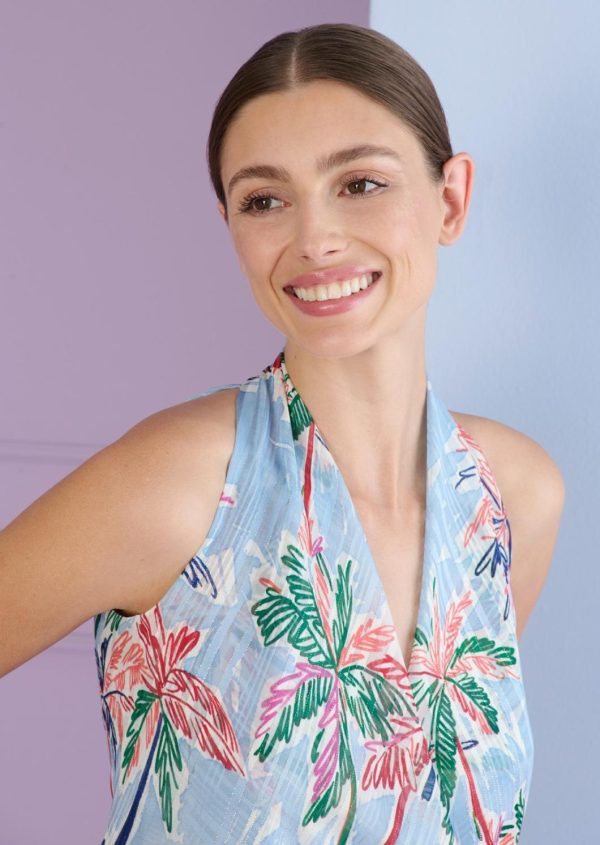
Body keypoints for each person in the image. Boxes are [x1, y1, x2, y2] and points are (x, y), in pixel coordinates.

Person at [0, 22, 564, 845]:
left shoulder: (511, 496)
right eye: (265, 200)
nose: (314, 239)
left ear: (451, 199)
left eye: (360, 183)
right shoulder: (181, 482)